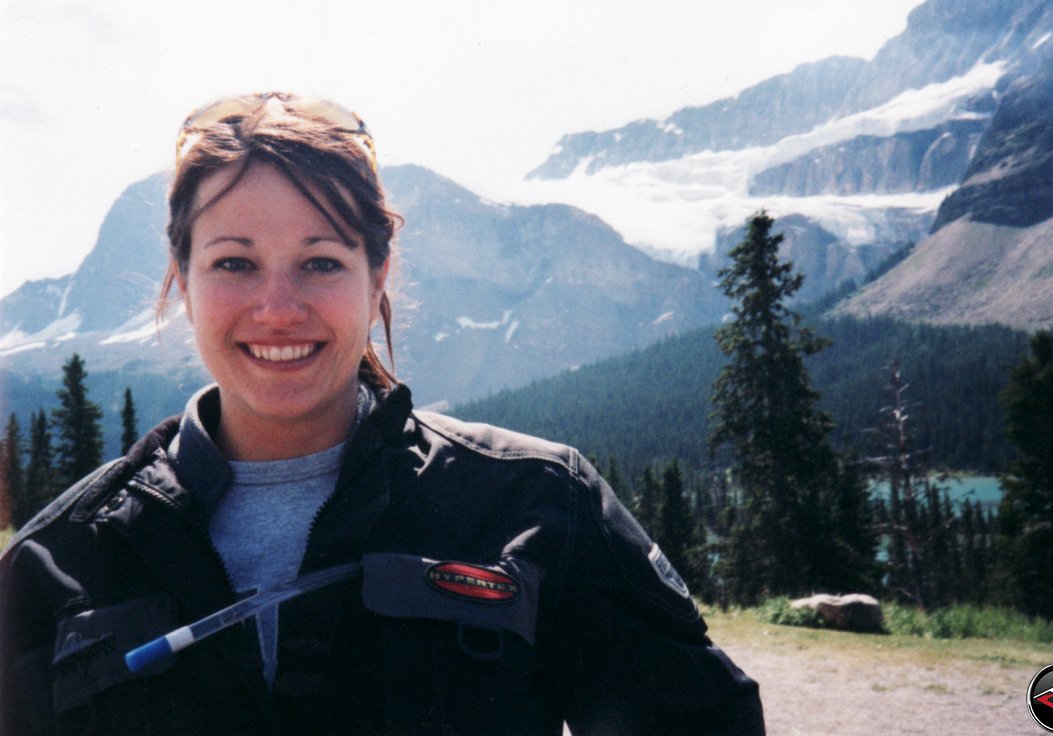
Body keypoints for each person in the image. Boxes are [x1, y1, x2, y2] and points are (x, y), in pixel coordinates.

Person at [0, 92, 765, 735]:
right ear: (183, 281)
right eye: (234, 262)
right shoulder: (56, 562)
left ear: (377, 278)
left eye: (321, 262)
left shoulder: (538, 503)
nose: (278, 307)